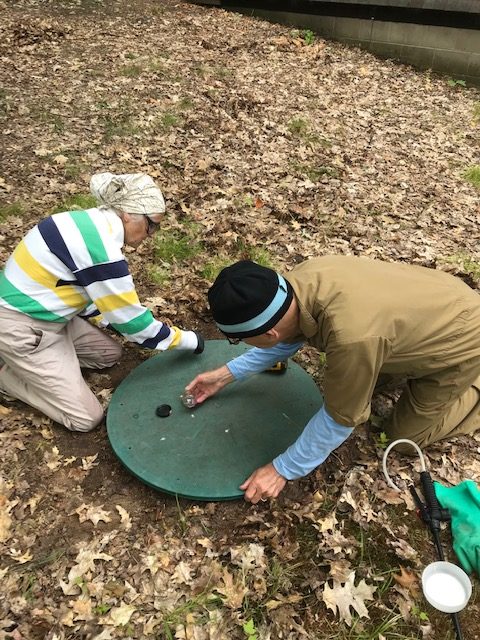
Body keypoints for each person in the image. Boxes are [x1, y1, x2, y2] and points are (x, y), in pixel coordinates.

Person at [186, 256, 480, 504]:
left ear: (268, 333)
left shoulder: (350, 338)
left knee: (401, 438)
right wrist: (224, 376)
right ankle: (407, 361)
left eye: (239, 340)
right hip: (433, 302)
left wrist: (282, 469)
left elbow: (340, 419)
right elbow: (287, 339)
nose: (241, 344)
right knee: (363, 379)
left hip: (465, 336)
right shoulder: (292, 287)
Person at [0, 172, 203, 432]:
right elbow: (136, 327)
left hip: (50, 314)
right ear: (128, 213)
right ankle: (8, 376)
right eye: (152, 225)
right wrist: (188, 341)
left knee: (109, 354)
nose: (152, 234)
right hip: (22, 327)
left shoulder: (82, 222)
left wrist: (112, 320)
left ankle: (47, 366)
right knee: (86, 418)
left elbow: (82, 294)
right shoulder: (102, 253)